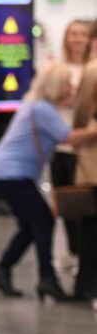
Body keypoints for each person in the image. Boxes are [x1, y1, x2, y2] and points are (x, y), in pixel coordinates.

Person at [0, 63, 97, 300]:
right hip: (12, 172)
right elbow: (70, 137)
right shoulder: (42, 109)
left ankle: (2, 270)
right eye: (68, 83)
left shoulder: (37, 106)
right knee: (44, 220)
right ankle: (47, 279)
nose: (71, 88)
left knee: (29, 226)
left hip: (6, 171)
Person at [50, 19, 92, 257]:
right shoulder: (56, 68)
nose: (77, 39)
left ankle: (84, 256)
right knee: (66, 204)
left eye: (82, 34)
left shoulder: (92, 68)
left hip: (85, 148)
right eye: (73, 34)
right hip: (60, 147)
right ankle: (72, 251)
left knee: (85, 207)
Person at [71, 60, 97, 306]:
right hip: (94, 161)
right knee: (91, 225)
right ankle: (86, 284)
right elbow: (80, 115)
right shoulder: (92, 70)